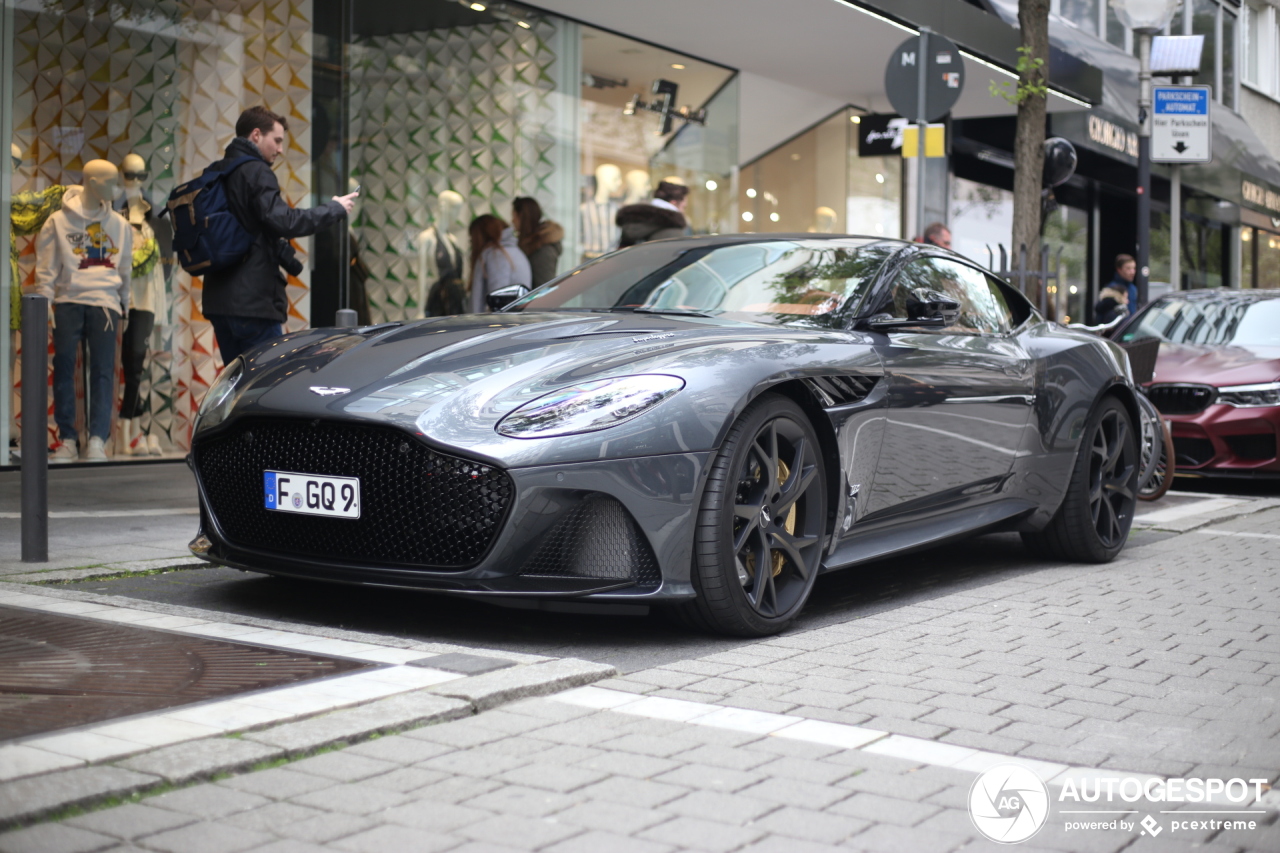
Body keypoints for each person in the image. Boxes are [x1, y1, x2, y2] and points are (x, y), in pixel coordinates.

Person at [202, 106, 358, 363]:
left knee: (234, 383)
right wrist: (334, 209)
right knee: (264, 385)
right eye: (276, 140)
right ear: (255, 135)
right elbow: (285, 221)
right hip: (253, 304)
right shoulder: (256, 171)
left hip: (218, 302)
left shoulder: (217, 171)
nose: (280, 149)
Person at [468, 214, 531, 313]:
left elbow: (498, 299)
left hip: (496, 324)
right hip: (516, 321)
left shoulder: (496, 255)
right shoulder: (516, 251)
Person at [616, 180, 688, 247]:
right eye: (684, 201)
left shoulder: (632, 221)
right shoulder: (672, 229)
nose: (685, 204)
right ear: (674, 202)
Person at [512, 197, 563, 288]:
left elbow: (544, 290)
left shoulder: (543, 251)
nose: (512, 221)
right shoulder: (530, 244)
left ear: (522, 217)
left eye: (514, 216)